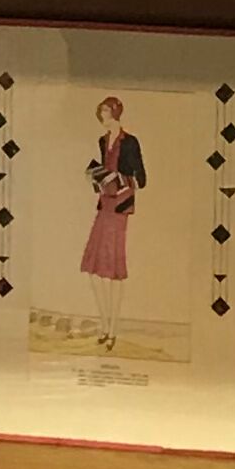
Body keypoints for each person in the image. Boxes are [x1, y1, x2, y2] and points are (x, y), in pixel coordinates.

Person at [80, 93, 145, 350]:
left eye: (106, 113)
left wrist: (118, 179)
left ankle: (113, 330)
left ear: (115, 113)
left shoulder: (131, 142)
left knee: (113, 271)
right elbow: (103, 176)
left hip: (120, 209)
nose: (102, 117)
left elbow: (141, 179)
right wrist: (97, 178)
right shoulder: (102, 140)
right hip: (104, 206)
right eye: (101, 113)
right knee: (94, 269)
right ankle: (105, 325)